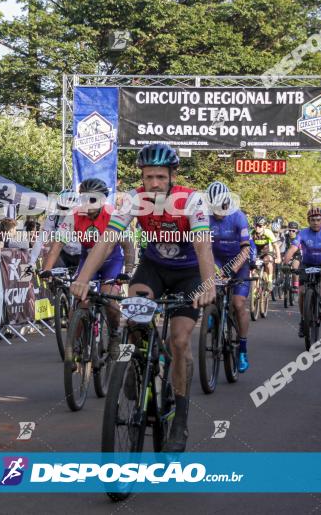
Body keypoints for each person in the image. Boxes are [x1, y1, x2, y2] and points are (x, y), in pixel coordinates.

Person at [70, 142, 215, 453]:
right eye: (148, 177)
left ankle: (180, 419)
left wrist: (208, 284)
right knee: (134, 315)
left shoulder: (191, 200)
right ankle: (137, 362)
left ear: (173, 175)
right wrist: (82, 279)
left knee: (178, 341)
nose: (154, 184)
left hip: (188, 273)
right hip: (154, 269)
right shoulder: (134, 199)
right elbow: (108, 240)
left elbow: (203, 246)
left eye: (160, 177)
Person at [48, 177, 127, 358]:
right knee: (79, 301)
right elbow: (57, 245)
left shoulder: (113, 214)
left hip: (111, 262)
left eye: (92, 199)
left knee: (110, 302)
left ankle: (115, 334)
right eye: (84, 198)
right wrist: (47, 269)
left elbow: (128, 246)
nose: (87, 204)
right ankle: (75, 344)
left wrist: (128, 270)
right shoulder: (74, 215)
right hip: (87, 260)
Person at [206, 182, 253, 372]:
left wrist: (232, 270)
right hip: (216, 260)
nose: (216, 211)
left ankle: (242, 349)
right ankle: (212, 313)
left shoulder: (238, 217)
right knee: (209, 291)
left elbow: (246, 249)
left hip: (238, 262)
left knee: (238, 303)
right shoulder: (205, 217)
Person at [281, 206, 321, 337]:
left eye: (318, 219)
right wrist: (285, 263)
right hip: (307, 264)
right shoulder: (303, 233)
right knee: (303, 292)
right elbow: (293, 249)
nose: (315, 222)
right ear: (308, 221)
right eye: (312, 220)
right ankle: (303, 320)